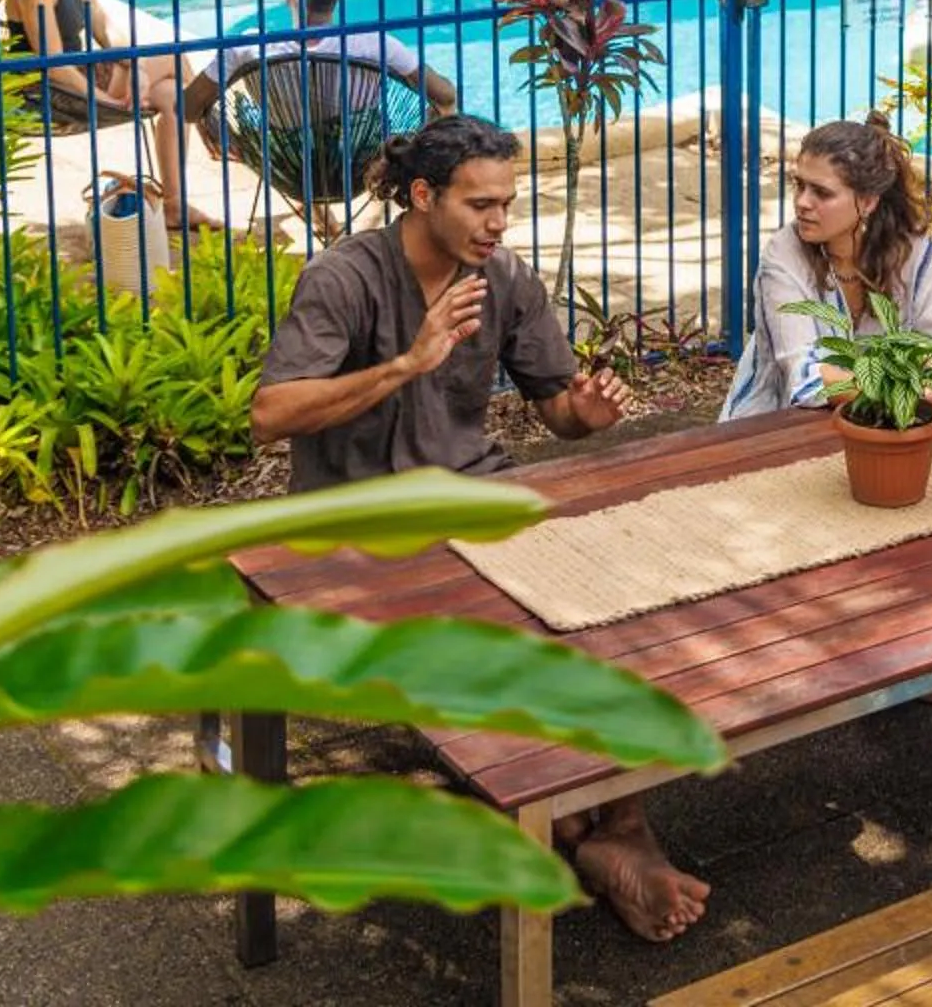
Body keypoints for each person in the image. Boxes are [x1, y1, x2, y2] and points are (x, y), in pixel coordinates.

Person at [250, 117, 706, 942]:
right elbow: (270, 414)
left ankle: (620, 828)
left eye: (508, 204)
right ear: (423, 197)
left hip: (476, 496)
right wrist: (405, 363)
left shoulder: (507, 279)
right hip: (356, 523)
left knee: (608, 603)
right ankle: (563, 826)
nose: (498, 223)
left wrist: (587, 414)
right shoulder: (343, 278)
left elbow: (557, 412)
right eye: (480, 205)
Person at [723, 115, 932, 422]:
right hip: (775, 425)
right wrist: (906, 396)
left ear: (867, 201)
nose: (802, 203)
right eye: (800, 185)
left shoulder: (917, 253)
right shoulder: (784, 254)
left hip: (888, 425)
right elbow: (805, 373)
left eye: (821, 192)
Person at [2, 0, 209, 235]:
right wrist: (104, 98)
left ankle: (174, 206)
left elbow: (104, 26)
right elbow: (52, 65)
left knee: (172, 95)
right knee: (175, 59)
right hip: (52, 92)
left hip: (82, 78)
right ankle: (214, 129)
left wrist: (128, 60)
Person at [180, 0, 458, 202]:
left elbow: (187, 109)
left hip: (284, 168)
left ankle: (312, 205)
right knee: (440, 110)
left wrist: (214, 124)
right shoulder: (375, 44)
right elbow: (445, 95)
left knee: (216, 111)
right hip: (360, 168)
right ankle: (431, 189)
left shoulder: (249, 48)